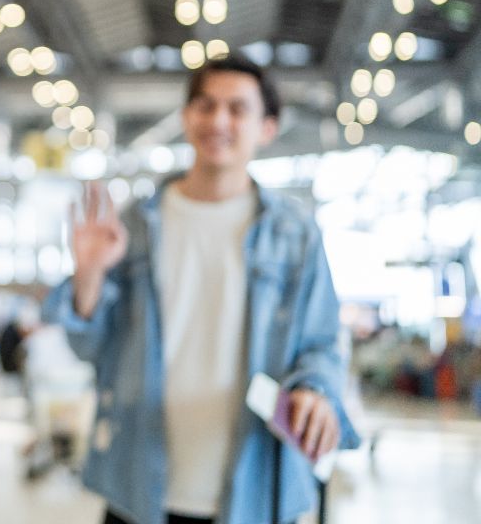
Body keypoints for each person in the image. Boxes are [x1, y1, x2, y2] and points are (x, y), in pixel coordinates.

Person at [43, 54, 358, 524]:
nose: (218, 121)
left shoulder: (295, 236)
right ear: (187, 116)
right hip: (138, 485)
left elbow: (320, 344)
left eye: (237, 109)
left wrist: (313, 391)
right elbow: (88, 345)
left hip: (254, 490)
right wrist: (87, 273)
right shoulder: (134, 226)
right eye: (206, 106)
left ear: (267, 127)